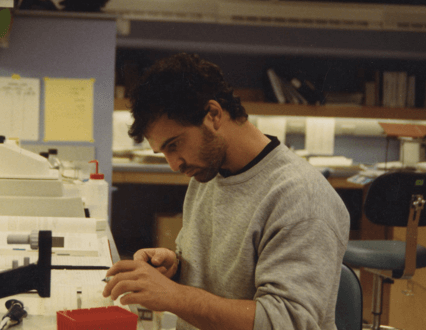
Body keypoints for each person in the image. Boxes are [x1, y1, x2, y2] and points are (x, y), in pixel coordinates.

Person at [103, 53, 350, 330]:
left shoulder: (301, 199)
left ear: (214, 114)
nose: (173, 165)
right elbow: (221, 284)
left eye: (174, 144)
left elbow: (289, 322)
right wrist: (176, 269)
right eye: (163, 152)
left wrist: (175, 296)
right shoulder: (208, 174)